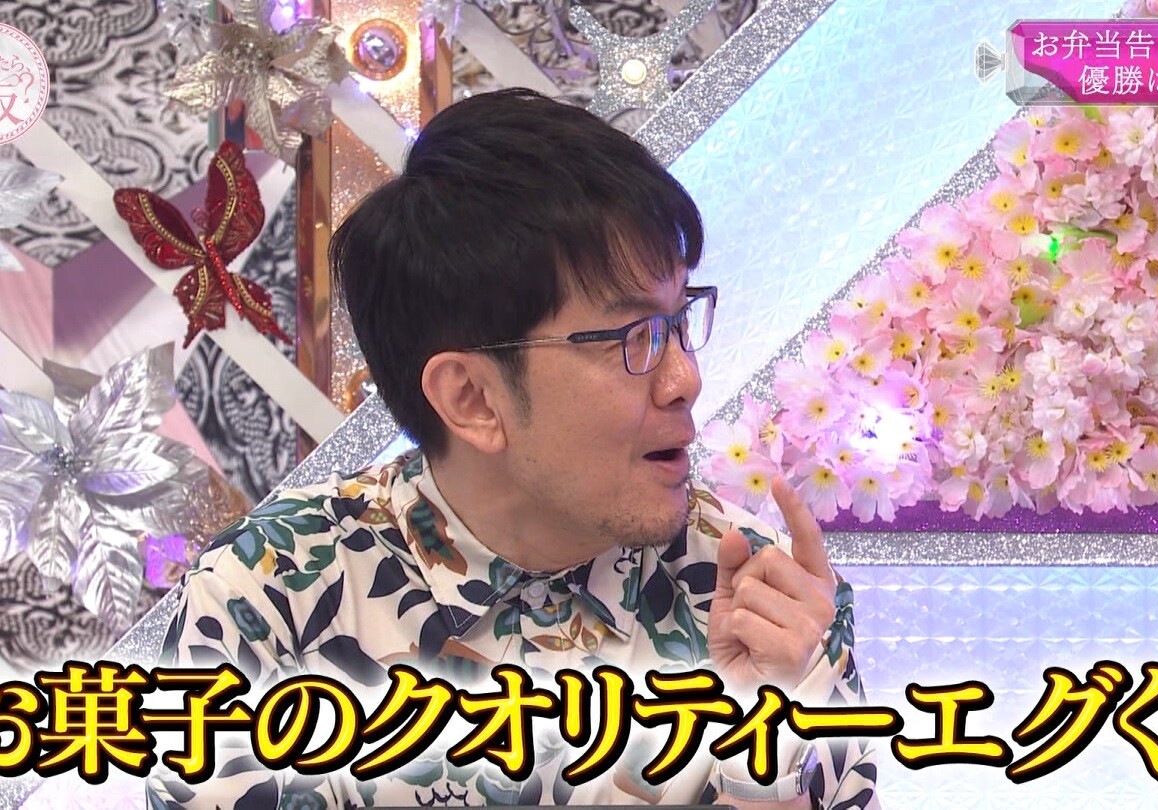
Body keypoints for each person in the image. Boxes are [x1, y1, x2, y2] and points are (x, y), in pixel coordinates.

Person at [148, 88, 879, 810]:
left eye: (678, 320)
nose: (684, 379)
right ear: (471, 398)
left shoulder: (766, 598)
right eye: (634, 337)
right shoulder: (267, 597)